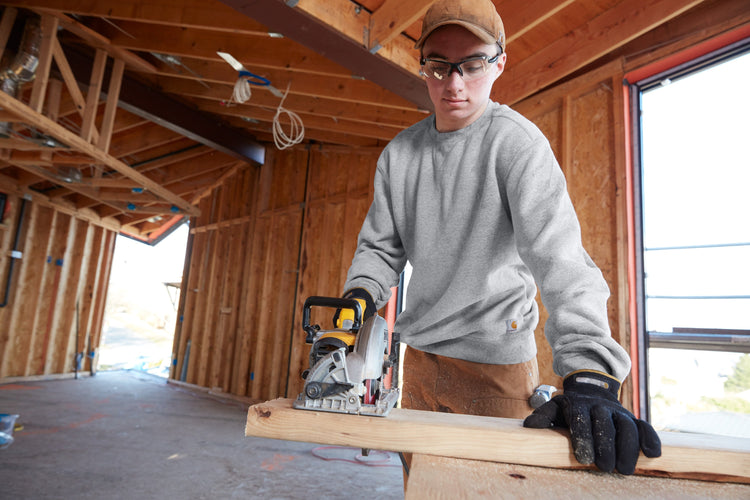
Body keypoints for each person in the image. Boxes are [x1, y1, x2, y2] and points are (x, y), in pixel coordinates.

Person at [339, 0, 661, 475]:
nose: (454, 83)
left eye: (472, 64)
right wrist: (358, 297)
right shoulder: (400, 155)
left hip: (495, 371)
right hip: (420, 365)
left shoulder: (517, 145)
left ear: (498, 63)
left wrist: (590, 372)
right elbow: (380, 249)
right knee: (423, 487)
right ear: (422, 64)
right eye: (439, 65)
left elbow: (561, 261)